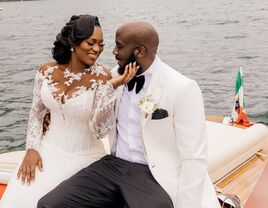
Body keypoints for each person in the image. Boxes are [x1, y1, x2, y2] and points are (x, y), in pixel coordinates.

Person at [38, 21, 221, 208]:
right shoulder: (113, 76)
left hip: (152, 173)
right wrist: (53, 113)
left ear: (139, 51)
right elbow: (84, 101)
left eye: (119, 46)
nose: (114, 51)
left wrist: (187, 204)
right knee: (49, 205)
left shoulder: (181, 88)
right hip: (113, 166)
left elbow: (194, 157)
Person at [0, 15, 137, 208]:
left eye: (101, 44)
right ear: (74, 42)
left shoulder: (103, 77)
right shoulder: (46, 71)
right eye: (91, 42)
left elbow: (100, 131)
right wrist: (31, 148)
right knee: (17, 200)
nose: (97, 49)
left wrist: (110, 88)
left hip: (83, 158)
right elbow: (37, 113)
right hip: (46, 151)